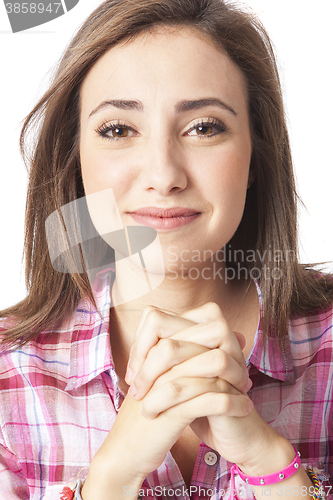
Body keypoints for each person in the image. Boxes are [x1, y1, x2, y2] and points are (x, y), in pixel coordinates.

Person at [0, 0, 332, 499]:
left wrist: (273, 466)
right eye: (118, 130)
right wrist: (111, 478)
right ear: (75, 161)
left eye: (204, 127)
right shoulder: (9, 374)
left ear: (256, 157)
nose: (163, 176)